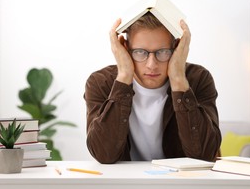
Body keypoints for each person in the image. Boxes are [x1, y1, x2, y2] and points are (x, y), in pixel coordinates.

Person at [84, 12, 221, 164]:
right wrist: (123, 77)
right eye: (140, 52)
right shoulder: (100, 83)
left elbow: (205, 156)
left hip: (180, 183)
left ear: (176, 49)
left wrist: (178, 80)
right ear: (124, 48)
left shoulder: (198, 79)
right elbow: (103, 155)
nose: (151, 65)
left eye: (162, 52)